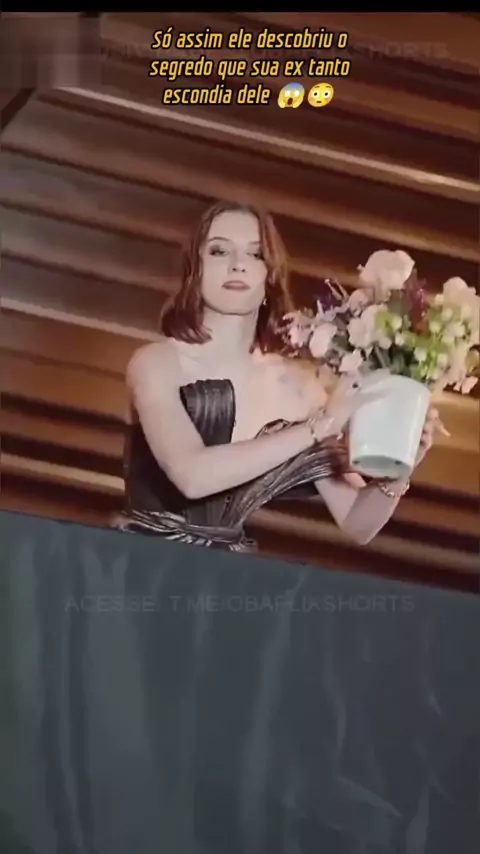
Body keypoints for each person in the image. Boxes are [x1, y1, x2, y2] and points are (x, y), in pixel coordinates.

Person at [116, 200, 437, 552]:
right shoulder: (156, 363)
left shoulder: (297, 386)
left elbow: (358, 523)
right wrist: (318, 426)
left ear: (270, 275)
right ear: (196, 268)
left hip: (226, 575)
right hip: (142, 564)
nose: (238, 265)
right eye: (220, 251)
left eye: (255, 254)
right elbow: (192, 477)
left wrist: (400, 468)